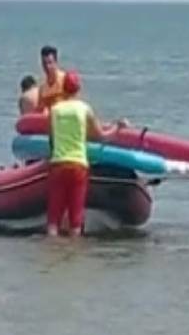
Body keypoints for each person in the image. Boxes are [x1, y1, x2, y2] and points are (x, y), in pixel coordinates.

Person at [47, 70, 128, 237]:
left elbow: (52, 139)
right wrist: (118, 127)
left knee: (53, 219)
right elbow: (101, 136)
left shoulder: (54, 110)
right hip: (78, 165)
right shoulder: (84, 109)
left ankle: (51, 249)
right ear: (78, 89)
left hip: (58, 164)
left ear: (63, 88)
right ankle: (75, 251)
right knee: (75, 219)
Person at [38, 45, 66, 112]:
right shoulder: (42, 89)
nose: (47, 66)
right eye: (44, 63)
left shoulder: (65, 80)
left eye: (50, 63)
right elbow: (41, 110)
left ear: (56, 62)